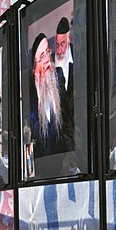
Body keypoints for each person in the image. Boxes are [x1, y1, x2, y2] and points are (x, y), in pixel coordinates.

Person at [28, 32, 72, 160]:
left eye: (48, 52)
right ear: (34, 69)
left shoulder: (59, 79)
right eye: (42, 56)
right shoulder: (29, 96)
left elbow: (70, 123)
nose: (47, 58)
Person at [54, 16, 74, 135]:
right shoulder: (51, 65)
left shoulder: (79, 56)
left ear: (69, 39)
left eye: (62, 44)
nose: (59, 51)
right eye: (57, 45)